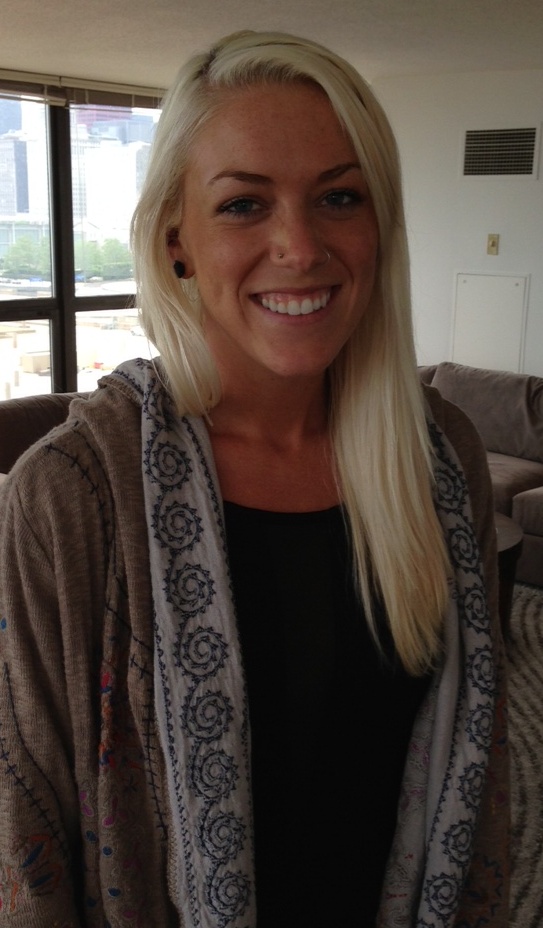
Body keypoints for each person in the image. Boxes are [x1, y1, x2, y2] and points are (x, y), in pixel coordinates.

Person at [0, 29, 509, 928]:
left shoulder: (439, 455)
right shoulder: (73, 495)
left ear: (379, 226)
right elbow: (25, 824)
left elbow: (480, 752)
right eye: (243, 205)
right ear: (177, 241)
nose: (299, 246)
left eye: (339, 197)